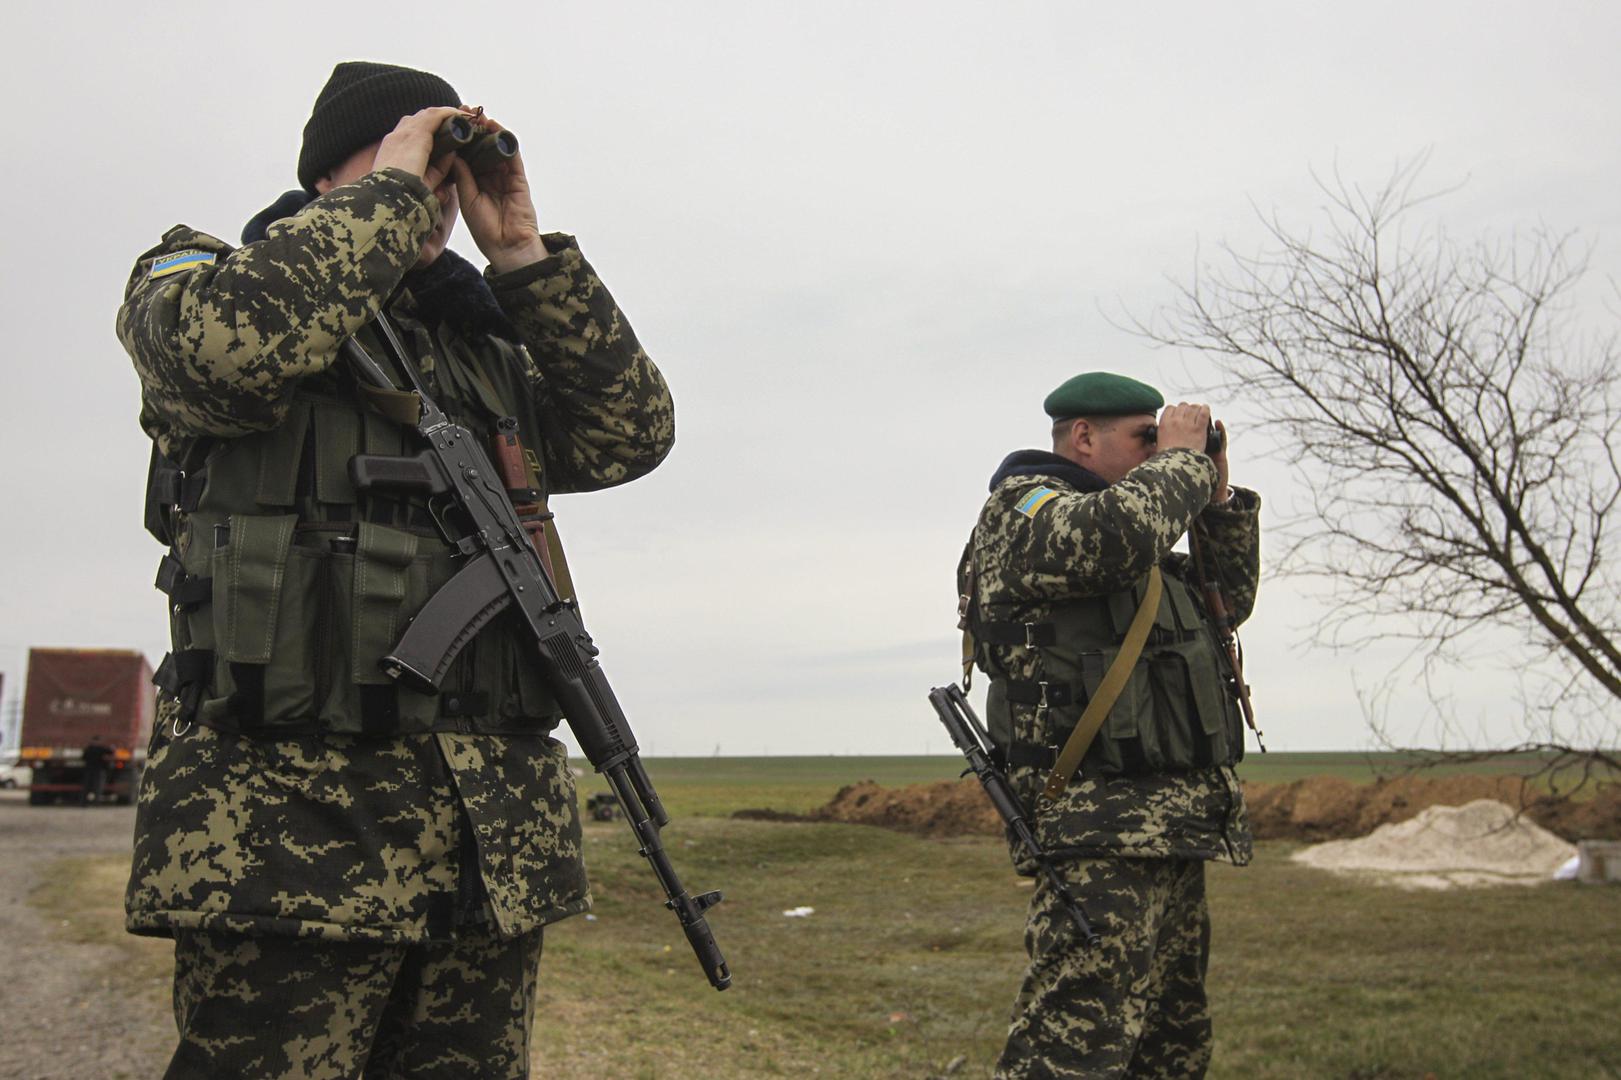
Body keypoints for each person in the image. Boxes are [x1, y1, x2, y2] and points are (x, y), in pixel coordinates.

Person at [116, 61, 674, 1079]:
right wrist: (392, 192)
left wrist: (523, 256)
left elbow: (628, 433)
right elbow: (224, 358)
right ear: (333, 175)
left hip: (485, 843)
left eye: (451, 174)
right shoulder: (198, 279)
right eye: (415, 159)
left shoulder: (480, 347)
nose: (438, 194)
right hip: (286, 838)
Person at [957, 372, 1261, 1078]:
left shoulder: (1139, 535)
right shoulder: (1026, 511)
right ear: (1083, 438)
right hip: (1093, 830)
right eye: (1146, 438)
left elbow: (1227, 601)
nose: (1161, 451)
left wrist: (1214, 495)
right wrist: (1180, 464)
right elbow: (1111, 536)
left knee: (1171, 1042)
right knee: (1073, 1048)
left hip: (1170, 826)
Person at [80, 736, 113, 804]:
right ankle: (96, 801)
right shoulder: (100, 749)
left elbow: (83, 758)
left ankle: (84, 801)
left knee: (87, 786)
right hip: (98, 770)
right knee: (97, 786)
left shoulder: (88, 749)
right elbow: (110, 752)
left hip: (89, 770)